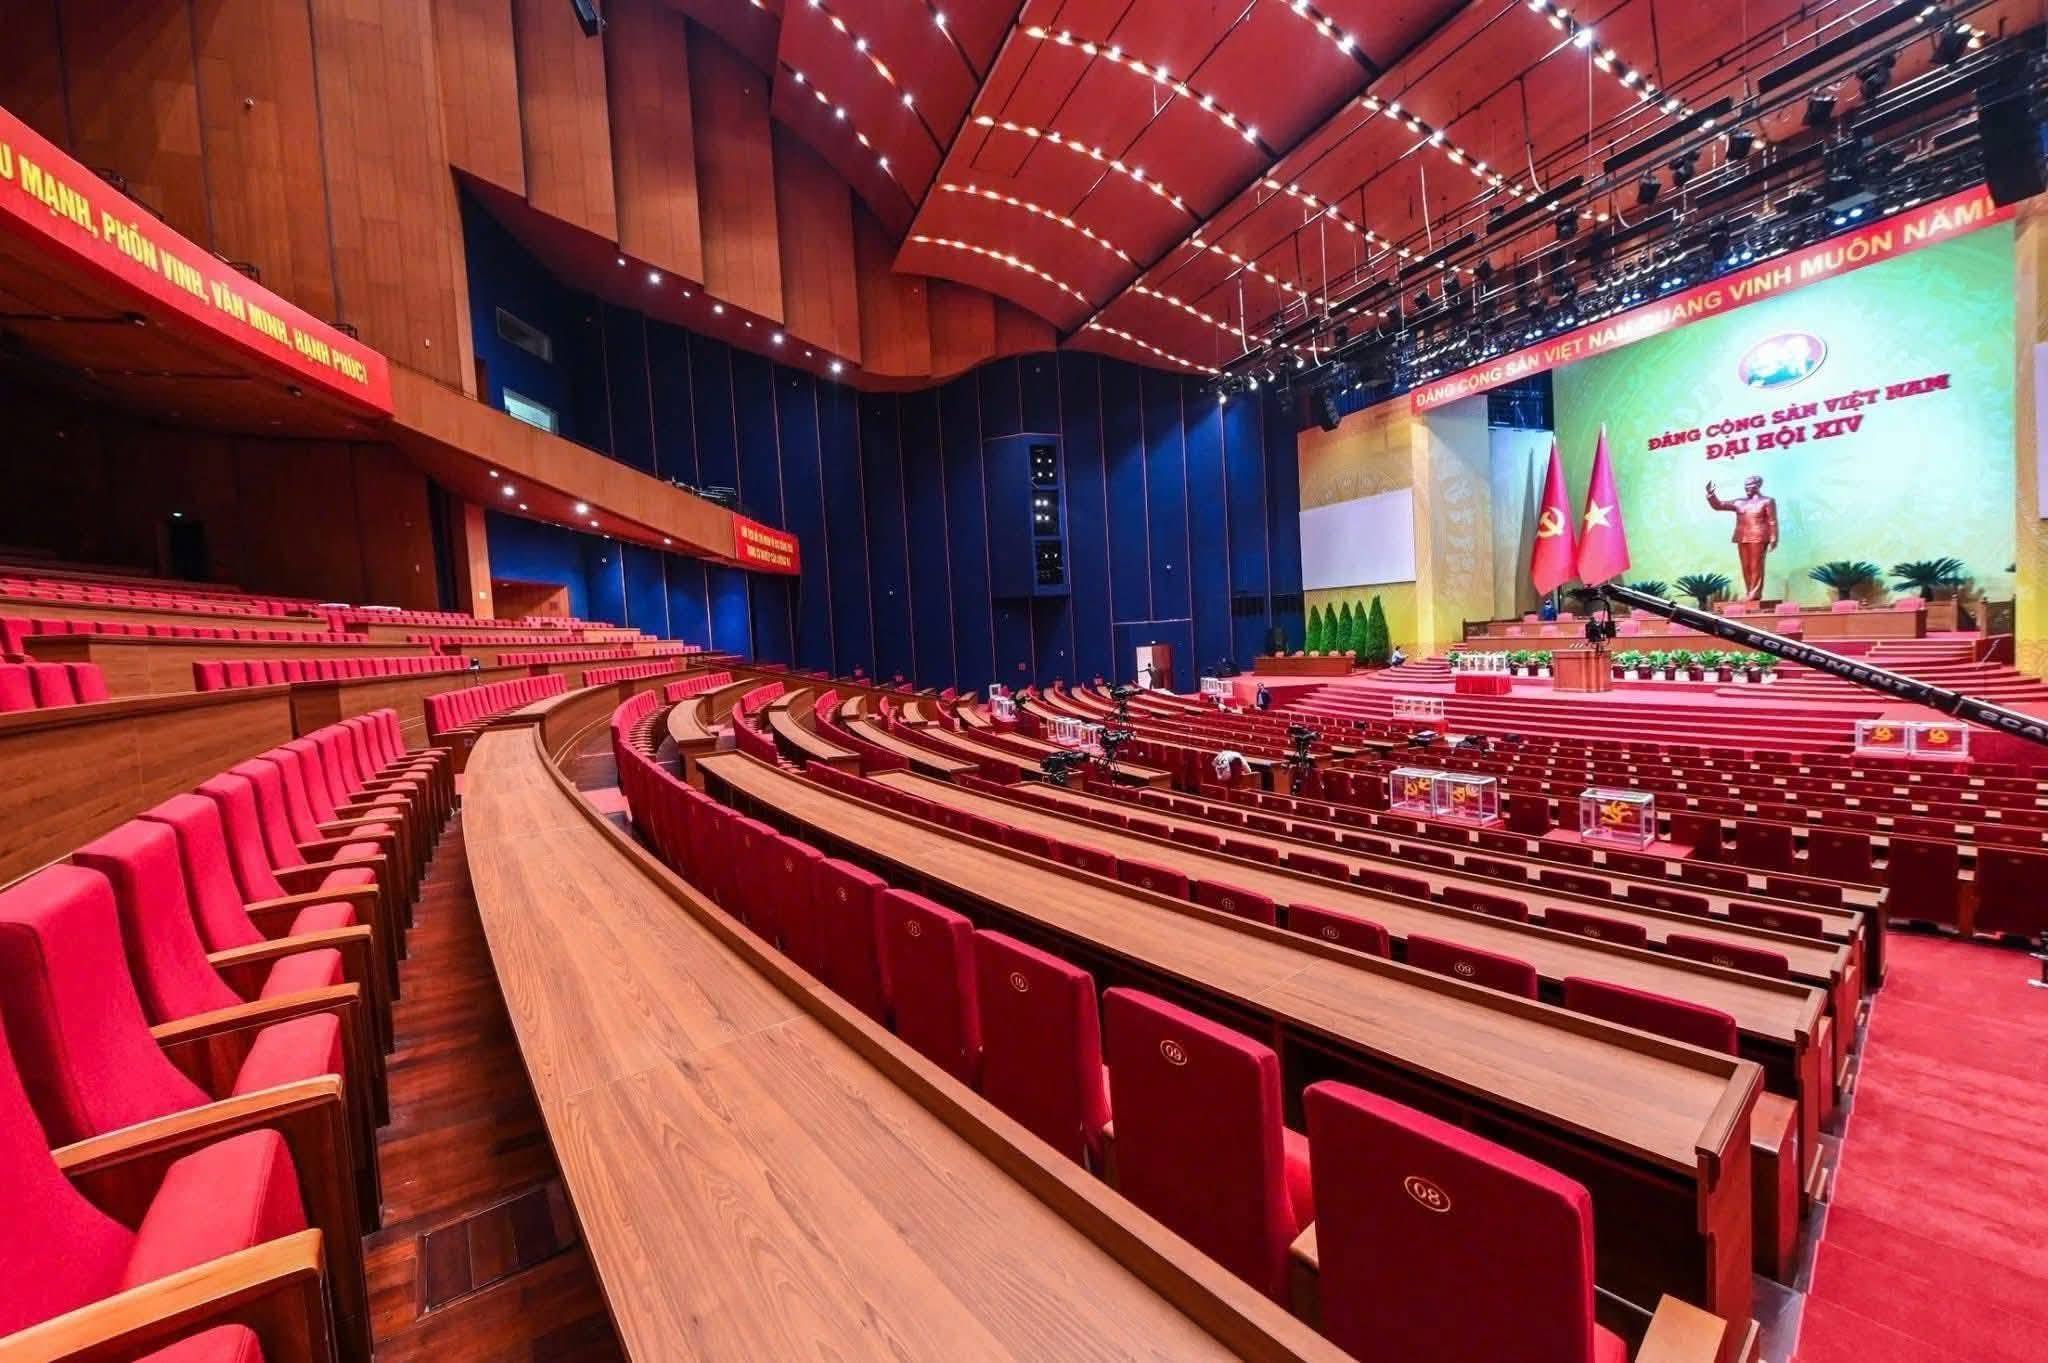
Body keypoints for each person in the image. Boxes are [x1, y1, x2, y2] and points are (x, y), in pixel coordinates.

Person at [1704, 475, 1780, 601]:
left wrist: (1774, 538)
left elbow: (1772, 521)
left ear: (1758, 486)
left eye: (1750, 485)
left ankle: (1755, 593)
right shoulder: (1739, 502)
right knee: (1746, 566)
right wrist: (1711, 495)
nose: (1747, 488)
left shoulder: (1767, 501)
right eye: (1746, 486)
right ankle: (1749, 591)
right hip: (1742, 536)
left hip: (1758, 537)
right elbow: (1719, 505)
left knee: (1756, 566)